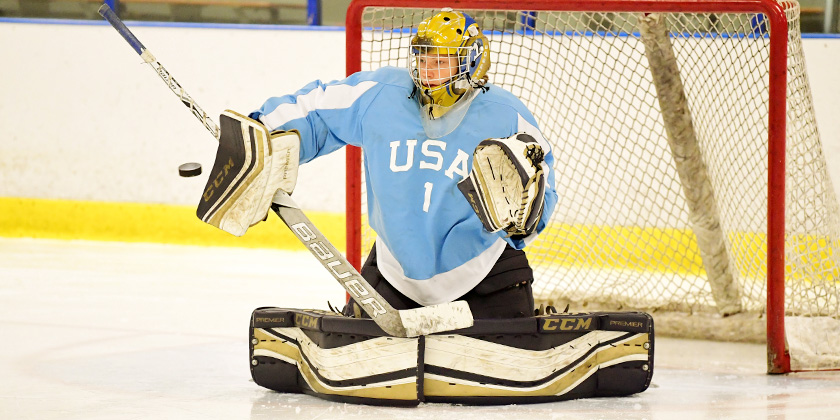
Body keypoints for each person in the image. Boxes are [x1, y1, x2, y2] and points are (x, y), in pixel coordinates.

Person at [201, 8, 558, 319]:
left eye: (442, 61)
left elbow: (542, 188)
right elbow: (317, 110)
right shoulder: (382, 94)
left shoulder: (508, 116)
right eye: (424, 59)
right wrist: (263, 131)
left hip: (482, 275)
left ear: (471, 61)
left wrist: (525, 222)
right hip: (394, 273)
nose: (429, 72)